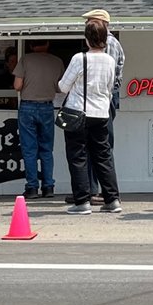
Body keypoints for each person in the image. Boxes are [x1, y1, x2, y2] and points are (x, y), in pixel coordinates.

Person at [58, 16, 121, 214]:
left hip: (79, 113)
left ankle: (83, 201)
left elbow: (63, 86)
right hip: (102, 113)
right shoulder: (110, 61)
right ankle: (112, 200)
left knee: (78, 157)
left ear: (86, 39)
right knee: (104, 156)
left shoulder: (79, 58)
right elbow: (111, 87)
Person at [82, 8, 125, 199]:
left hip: (103, 97)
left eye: (89, 22)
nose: (86, 25)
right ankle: (95, 189)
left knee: (102, 144)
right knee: (98, 143)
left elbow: (107, 76)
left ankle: (101, 191)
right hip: (104, 97)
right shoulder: (107, 43)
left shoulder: (109, 44)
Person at [14, 39, 64, 199]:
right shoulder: (57, 61)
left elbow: (17, 85)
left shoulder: (25, 60)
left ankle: (32, 188)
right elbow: (60, 87)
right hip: (47, 107)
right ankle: (48, 187)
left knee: (29, 150)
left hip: (27, 106)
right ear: (48, 44)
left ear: (30, 45)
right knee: (46, 150)